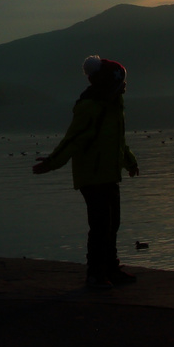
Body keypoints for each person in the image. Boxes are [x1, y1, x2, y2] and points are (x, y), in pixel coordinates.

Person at [33, 56, 140, 289]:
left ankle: (111, 268)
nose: (124, 87)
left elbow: (117, 142)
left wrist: (129, 163)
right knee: (101, 226)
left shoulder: (114, 106)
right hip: (91, 176)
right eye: (120, 83)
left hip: (109, 174)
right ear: (108, 84)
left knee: (113, 224)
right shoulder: (90, 107)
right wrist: (52, 162)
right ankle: (95, 274)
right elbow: (73, 139)